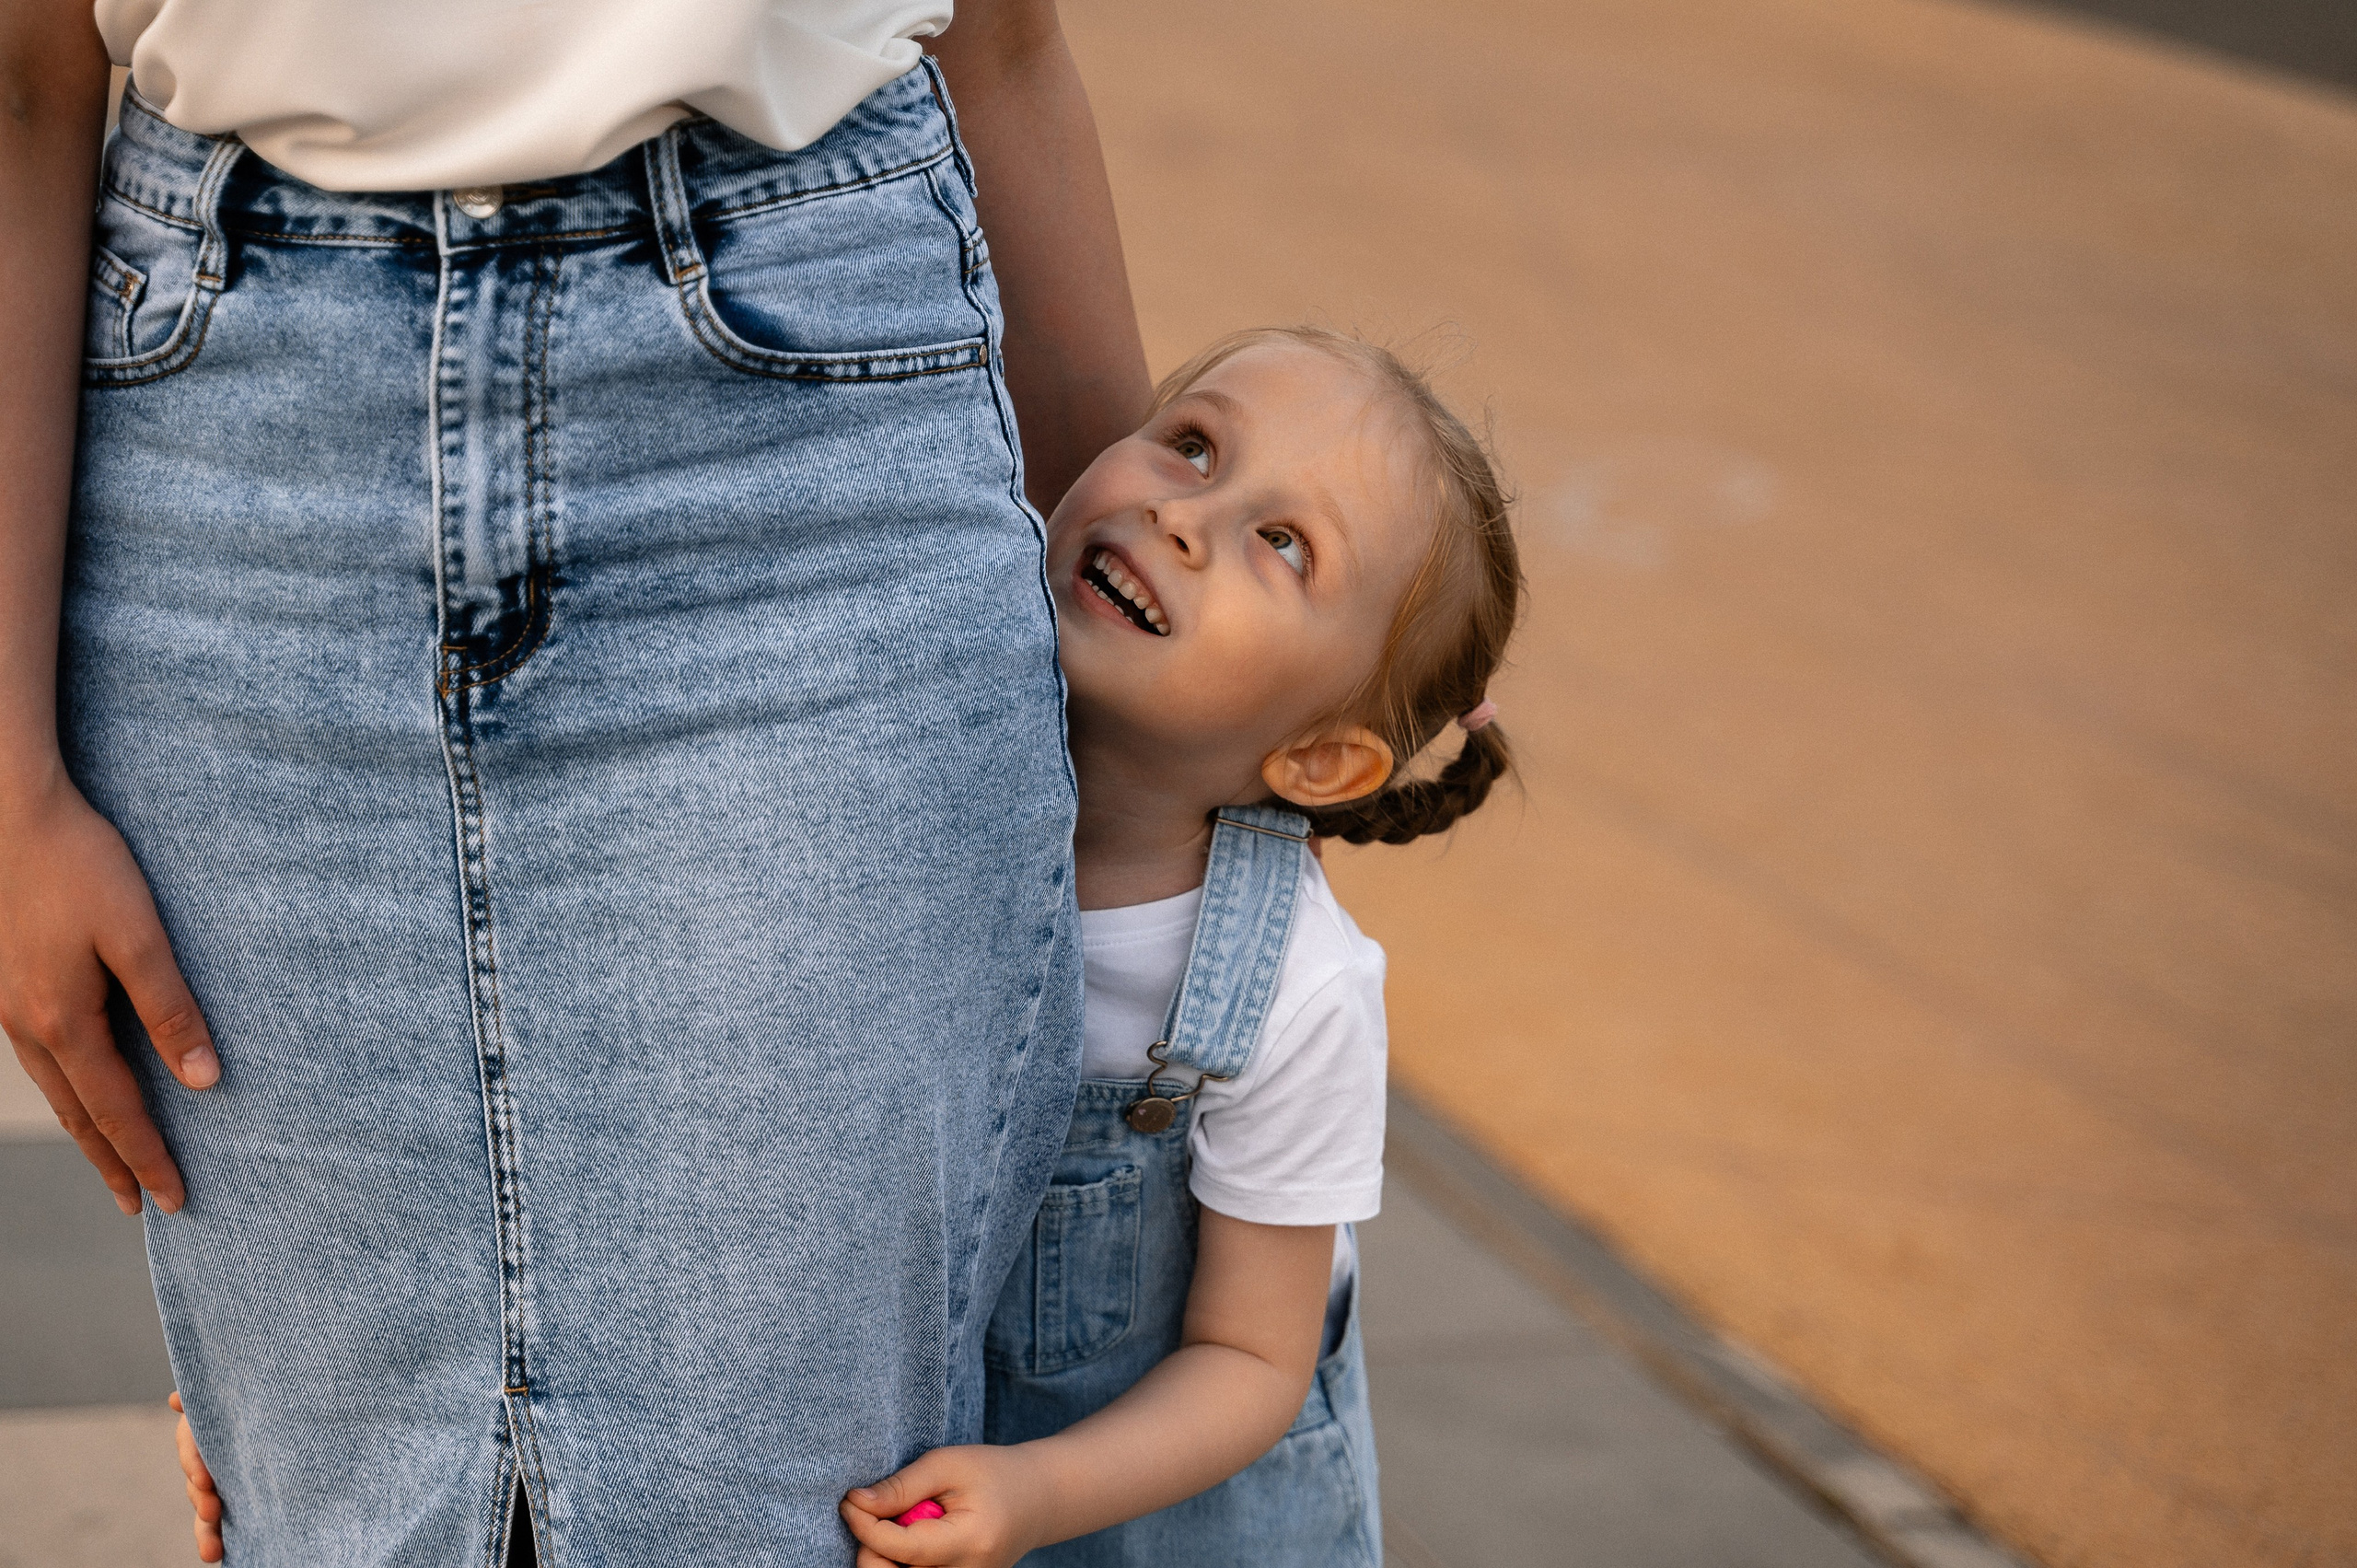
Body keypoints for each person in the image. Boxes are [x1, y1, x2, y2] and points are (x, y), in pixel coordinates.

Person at [1, 3, 1145, 1563]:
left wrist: (1161, 765)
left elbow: (1000, 35)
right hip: (242, 465)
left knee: (784, 1526)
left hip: (793, 427)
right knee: (344, 1530)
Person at [180, 325, 1525, 1566]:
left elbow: (1251, 1358)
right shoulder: (867, 804)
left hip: (1176, 1520)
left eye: (1283, 546)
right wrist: (309, 1405)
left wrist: (1038, 1494)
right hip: (902, 1483)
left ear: (1323, 758)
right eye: (1193, 443)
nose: (1183, 513)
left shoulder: (1289, 990)